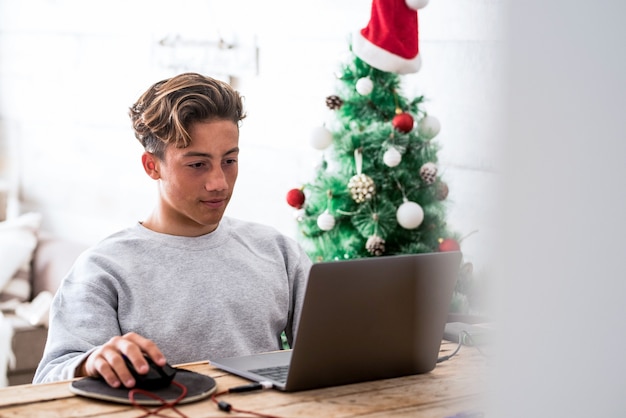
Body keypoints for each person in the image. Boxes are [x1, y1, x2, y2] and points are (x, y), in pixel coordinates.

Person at [33, 73, 312, 388]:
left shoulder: (278, 251)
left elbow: (331, 351)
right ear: (152, 166)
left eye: (229, 160)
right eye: (197, 165)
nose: (219, 182)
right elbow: (49, 378)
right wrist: (90, 362)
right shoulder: (102, 268)